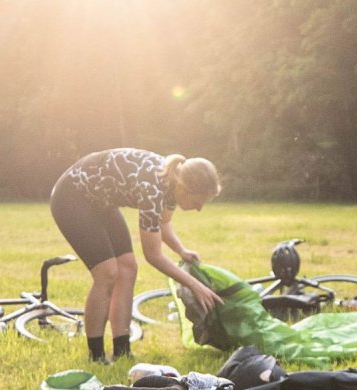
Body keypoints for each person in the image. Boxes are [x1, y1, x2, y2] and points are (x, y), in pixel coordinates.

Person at [49, 148, 225, 363]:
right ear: (184, 187)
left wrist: (181, 250)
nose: (199, 209)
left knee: (128, 268)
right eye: (198, 201)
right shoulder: (153, 187)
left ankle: (122, 350)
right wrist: (194, 285)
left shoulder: (172, 185)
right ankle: (96, 356)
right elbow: (153, 256)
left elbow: (164, 224)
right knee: (107, 273)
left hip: (101, 203)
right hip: (72, 198)